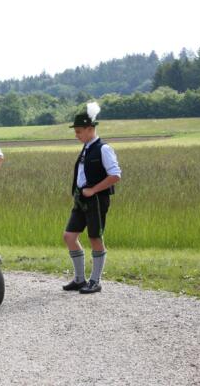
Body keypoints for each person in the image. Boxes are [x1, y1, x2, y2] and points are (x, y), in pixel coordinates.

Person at [62, 102, 121, 294]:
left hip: (95, 200)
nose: (76, 135)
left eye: (79, 131)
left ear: (90, 129)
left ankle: (95, 281)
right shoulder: (86, 148)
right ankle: (79, 279)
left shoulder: (104, 149)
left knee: (95, 237)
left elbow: (115, 175)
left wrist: (94, 190)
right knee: (69, 236)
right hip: (81, 199)